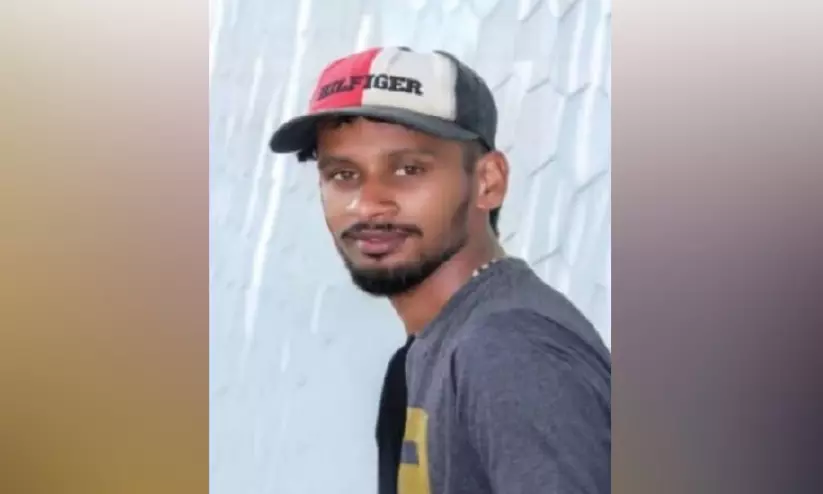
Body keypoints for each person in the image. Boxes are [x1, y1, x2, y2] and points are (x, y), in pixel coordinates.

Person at [269, 46, 611, 494]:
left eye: (408, 169)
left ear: (488, 182)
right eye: (343, 175)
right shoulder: (435, 348)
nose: (368, 205)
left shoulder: (509, 349)